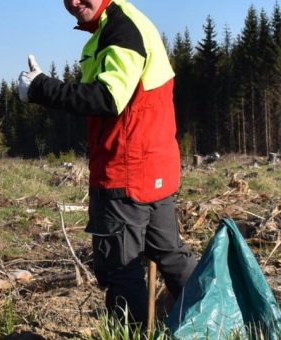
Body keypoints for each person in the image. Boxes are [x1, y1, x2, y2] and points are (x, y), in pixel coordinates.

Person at [18, 0, 197, 325]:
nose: (73, 2)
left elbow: (108, 98)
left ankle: (137, 332)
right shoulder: (123, 25)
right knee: (171, 257)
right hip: (154, 170)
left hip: (125, 175)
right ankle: (212, 325)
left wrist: (41, 88)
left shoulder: (121, 28)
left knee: (120, 271)